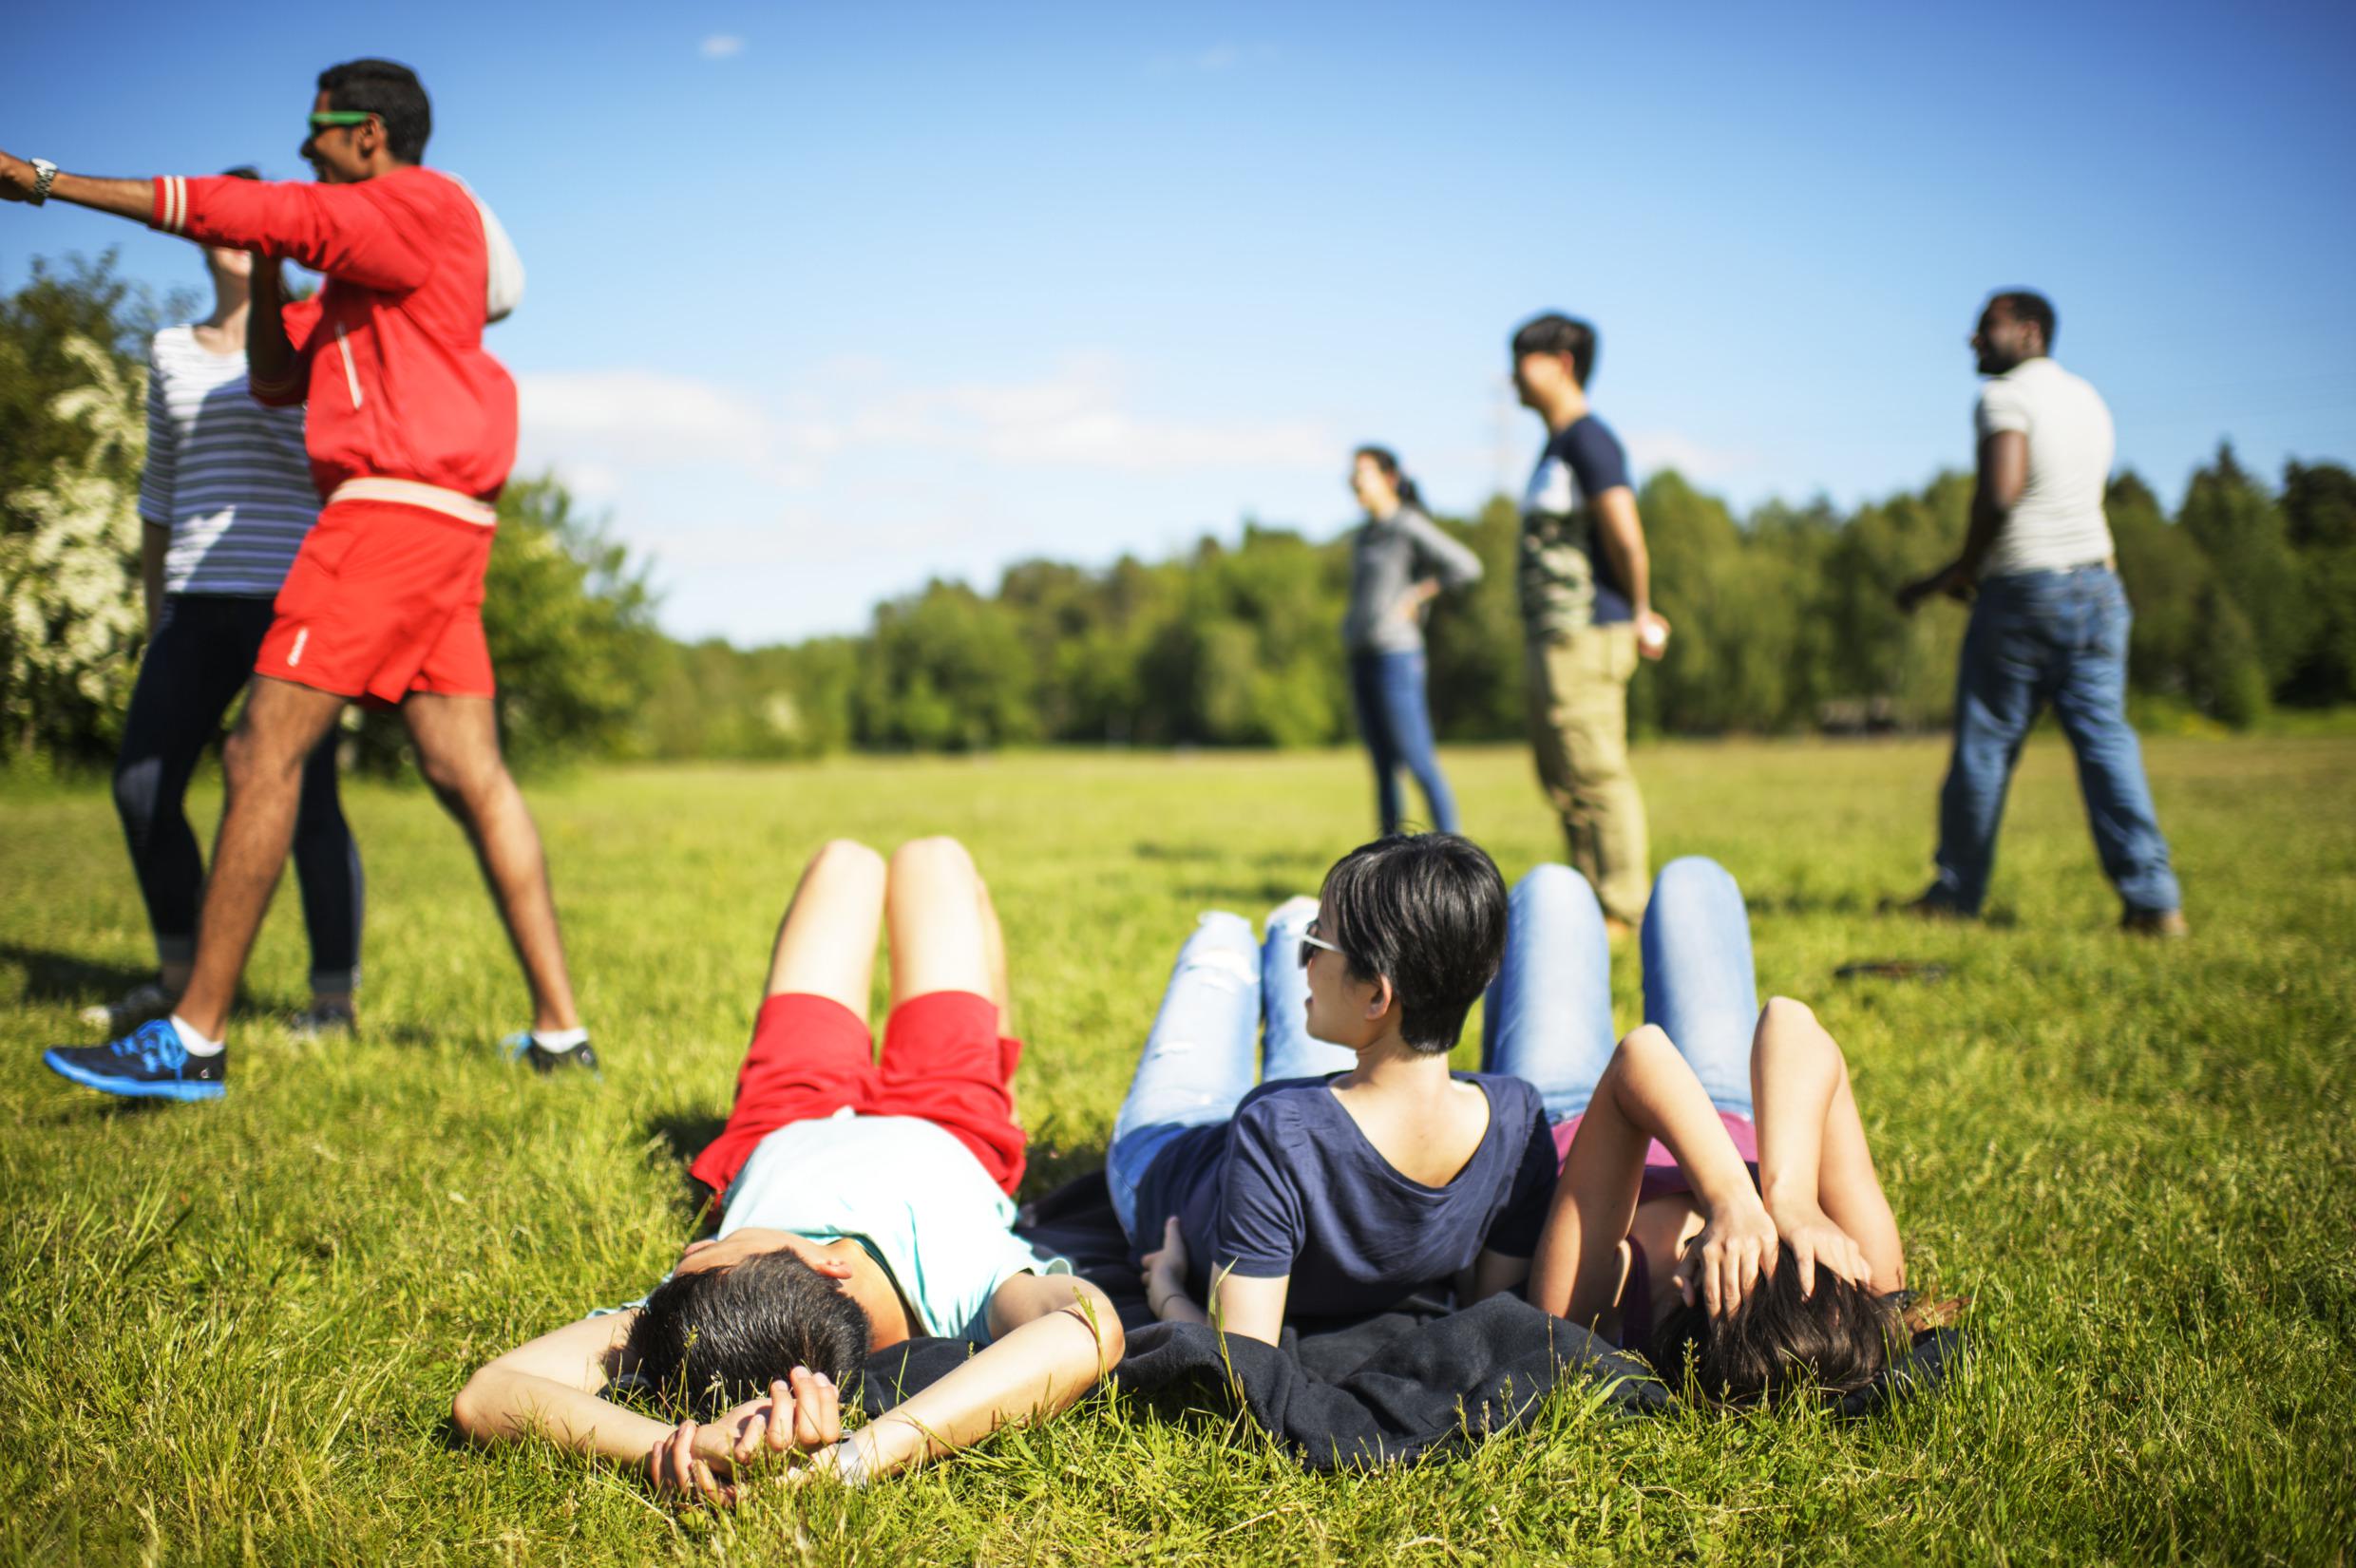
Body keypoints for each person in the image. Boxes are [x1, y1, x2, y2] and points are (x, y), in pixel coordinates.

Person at [7, 60, 596, 1102]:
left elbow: (251, 204)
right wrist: (275, 264)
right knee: (470, 772)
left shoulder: (411, 205)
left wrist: (49, 180)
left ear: (369, 134)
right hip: (446, 527)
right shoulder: (367, 279)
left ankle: (193, 1037)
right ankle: (560, 1032)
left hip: (386, 516)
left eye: (318, 131)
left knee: (259, 751)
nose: (304, 149)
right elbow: (278, 380)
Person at [452, 838, 1122, 1502]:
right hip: (948, 1116)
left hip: (785, 1114)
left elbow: (488, 1392)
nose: (689, 1250)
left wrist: (673, 1449)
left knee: (843, 863)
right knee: (936, 861)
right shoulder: (957, 1278)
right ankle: (975, 940)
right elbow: (1093, 1328)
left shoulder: (704, 1310)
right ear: (826, 1262)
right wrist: (862, 1455)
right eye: (711, 1249)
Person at [82, 166, 364, 1044]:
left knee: (305, 798)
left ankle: (332, 999)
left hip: (293, 596)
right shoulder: (168, 350)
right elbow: (158, 492)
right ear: (204, 235)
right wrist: (153, 607)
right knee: (141, 787)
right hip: (197, 598)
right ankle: (180, 976)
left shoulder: (314, 339)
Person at [1486, 857, 1907, 1403]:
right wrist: (1793, 1200)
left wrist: (1731, 1198)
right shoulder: (1856, 1282)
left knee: (1551, 891)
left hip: (1569, 1114)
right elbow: (1790, 1021)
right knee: (1694, 879)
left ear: (1688, 1287)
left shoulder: (1586, 1313)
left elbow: (1641, 1057)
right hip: (1723, 1102)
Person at [1112, 833, 1560, 1345]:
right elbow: (1487, 1315)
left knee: (1217, 945)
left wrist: (1166, 1286)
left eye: (1315, 944)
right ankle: (1292, 922)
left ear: (1376, 994)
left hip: (1165, 1171)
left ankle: (1252, 928)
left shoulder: (1279, 1130)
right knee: (1271, 942)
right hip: (1313, 1116)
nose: (1305, 962)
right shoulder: (1518, 1119)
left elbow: (1241, 1363)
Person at [1894, 291, 2186, 935]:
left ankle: (1956, 891)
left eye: (1986, 328)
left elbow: (2002, 495)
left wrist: (1962, 568)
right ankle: (2153, 899)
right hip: (2101, 588)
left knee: (1985, 748)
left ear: (2029, 332)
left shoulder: (2005, 397)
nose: (1973, 339)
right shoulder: (2087, 397)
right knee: (2107, 742)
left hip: (2025, 594)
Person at [1509, 313, 1672, 936]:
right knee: (1565, 778)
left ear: (1562, 364)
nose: (1513, 375)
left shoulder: (1589, 440)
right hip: (1553, 636)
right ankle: (1590, 901)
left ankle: (1625, 907)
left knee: (1598, 771)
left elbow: (1627, 535)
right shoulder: (1554, 444)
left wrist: (1640, 610)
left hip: (1588, 632)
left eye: (1523, 359)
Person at [1341, 445, 1484, 835]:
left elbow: (1467, 565)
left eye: (1363, 472)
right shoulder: (1365, 535)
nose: (1353, 480)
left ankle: (1457, 859)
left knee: (1418, 761)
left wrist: (1420, 593)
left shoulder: (1406, 525)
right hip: (1362, 656)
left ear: (1389, 479)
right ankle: (1386, 865)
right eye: (1352, 473)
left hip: (1396, 656)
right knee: (1383, 769)